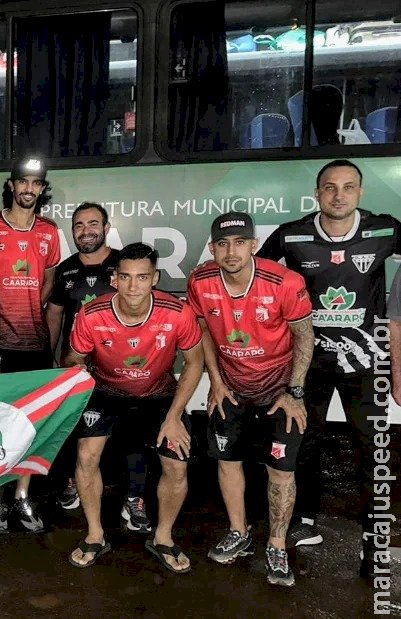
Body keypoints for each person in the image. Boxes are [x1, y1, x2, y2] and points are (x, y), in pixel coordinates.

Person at [258, 159, 401, 578]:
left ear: (360, 192)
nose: (339, 195)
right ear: (317, 193)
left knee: (372, 453)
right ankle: (304, 521)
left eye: (349, 187)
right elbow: (258, 278)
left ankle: (374, 545)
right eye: (330, 187)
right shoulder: (292, 234)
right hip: (308, 366)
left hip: (366, 362)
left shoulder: (385, 229)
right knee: (306, 443)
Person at [188, 212, 313, 587]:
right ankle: (239, 533)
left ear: (254, 245)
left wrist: (295, 392)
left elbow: (304, 337)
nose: (231, 251)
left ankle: (276, 545)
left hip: (279, 391)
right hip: (232, 387)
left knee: (281, 469)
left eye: (240, 242)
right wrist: (216, 379)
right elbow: (202, 330)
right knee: (228, 462)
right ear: (212, 249)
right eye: (223, 244)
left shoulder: (285, 282)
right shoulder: (201, 280)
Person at [63, 242, 204, 574]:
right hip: (106, 392)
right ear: (115, 279)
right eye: (125, 277)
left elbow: (195, 363)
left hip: (159, 395)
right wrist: (75, 366)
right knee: (85, 456)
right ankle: (95, 535)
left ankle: (163, 538)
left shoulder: (177, 312)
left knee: (177, 466)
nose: (133, 286)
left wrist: (173, 417)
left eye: (142, 277)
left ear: (154, 278)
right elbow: (73, 358)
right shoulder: (92, 314)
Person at [0, 157, 60, 533]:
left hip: (35, 344)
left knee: (30, 424)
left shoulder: (49, 231)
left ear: (42, 190)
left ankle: (22, 496)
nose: (28, 189)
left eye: (35, 184)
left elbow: (48, 284)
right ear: (10, 185)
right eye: (22, 182)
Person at [46, 202, 120, 513]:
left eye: (92, 224)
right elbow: (55, 314)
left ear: (106, 228)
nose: (85, 231)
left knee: (117, 428)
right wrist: (52, 358)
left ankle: (125, 489)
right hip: (76, 366)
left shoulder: (124, 264)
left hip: (116, 364)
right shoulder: (66, 269)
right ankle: (71, 481)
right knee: (74, 425)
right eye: (78, 225)